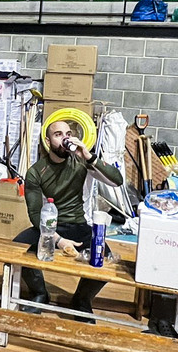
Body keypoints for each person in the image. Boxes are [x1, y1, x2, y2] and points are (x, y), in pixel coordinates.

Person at [16, 118, 124, 319]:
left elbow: (117, 180)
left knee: (106, 262)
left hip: (78, 225)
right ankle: (39, 294)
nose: (65, 139)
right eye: (58, 135)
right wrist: (58, 240)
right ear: (48, 141)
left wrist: (89, 156)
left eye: (68, 134)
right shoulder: (36, 172)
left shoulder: (82, 162)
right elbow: (35, 214)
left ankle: (81, 301)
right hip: (50, 226)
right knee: (16, 249)